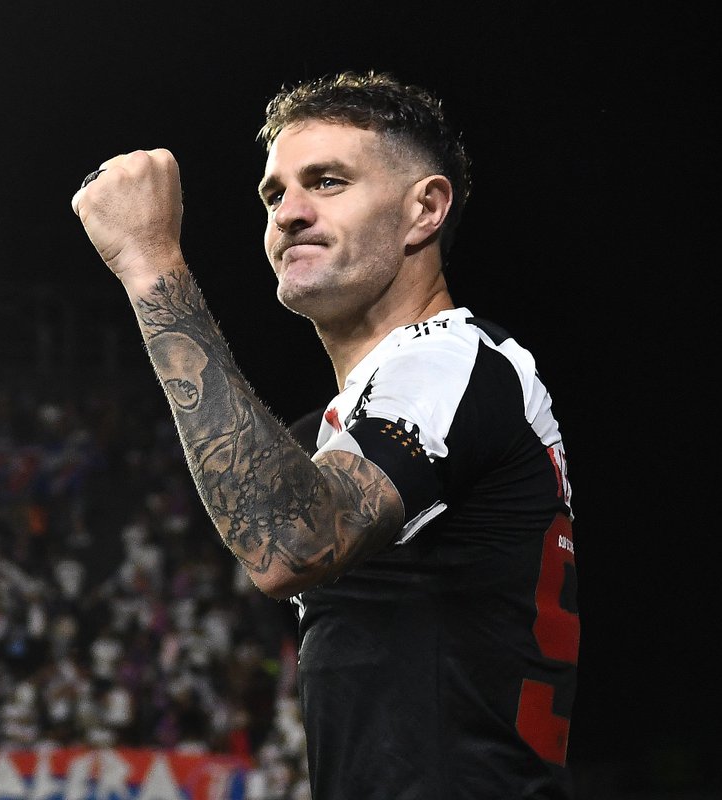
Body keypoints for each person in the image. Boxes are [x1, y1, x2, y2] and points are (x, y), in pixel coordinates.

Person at [72, 70, 579, 799]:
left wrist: (151, 265)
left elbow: (290, 541)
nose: (288, 213)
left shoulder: (454, 361)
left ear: (425, 209)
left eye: (328, 182)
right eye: (274, 194)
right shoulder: (344, 427)